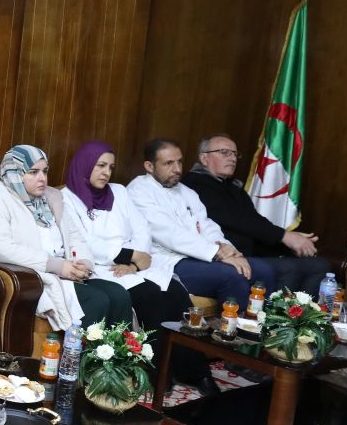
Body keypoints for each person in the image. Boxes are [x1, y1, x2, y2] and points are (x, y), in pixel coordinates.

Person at [62, 142, 212, 391]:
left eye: (110, 167)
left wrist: (135, 262)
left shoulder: (119, 192)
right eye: (100, 166)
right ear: (85, 165)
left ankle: (196, 372)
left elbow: (141, 229)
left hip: (134, 265)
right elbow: (83, 241)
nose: (106, 173)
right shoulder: (67, 198)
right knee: (151, 297)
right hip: (102, 268)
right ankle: (156, 375)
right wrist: (129, 256)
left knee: (176, 293)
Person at [0, 145, 132, 331]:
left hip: (66, 271)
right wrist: (57, 266)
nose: (42, 178)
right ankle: (82, 351)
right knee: (97, 299)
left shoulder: (51, 199)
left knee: (119, 294)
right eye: (33, 172)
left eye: (45, 171)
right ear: (15, 173)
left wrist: (84, 263)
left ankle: (121, 351)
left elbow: (74, 236)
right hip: (32, 276)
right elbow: (0, 248)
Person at [127, 138, 278, 305]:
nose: (177, 169)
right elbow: (170, 234)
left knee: (264, 270)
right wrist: (216, 253)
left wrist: (228, 250)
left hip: (200, 256)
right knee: (232, 276)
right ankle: (234, 322)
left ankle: (262, 320)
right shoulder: (138, 191)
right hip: (168, 261)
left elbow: (207, 226)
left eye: (179, 162)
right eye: (168, 163)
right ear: (149, 166)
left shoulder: (186, 191)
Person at [183, 133, 332, 292]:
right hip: (227, 255)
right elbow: (239, 221)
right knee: (289, 268)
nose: (232, 158)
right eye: (224, 152)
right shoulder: (195, 184)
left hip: (253, 252)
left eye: (235, 154)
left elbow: (254, 222)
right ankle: (280, 309)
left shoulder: (232, 186)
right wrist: (284, 236)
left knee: (320, 265)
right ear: (204, 158)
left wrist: (287, 244)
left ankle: (305, 308)